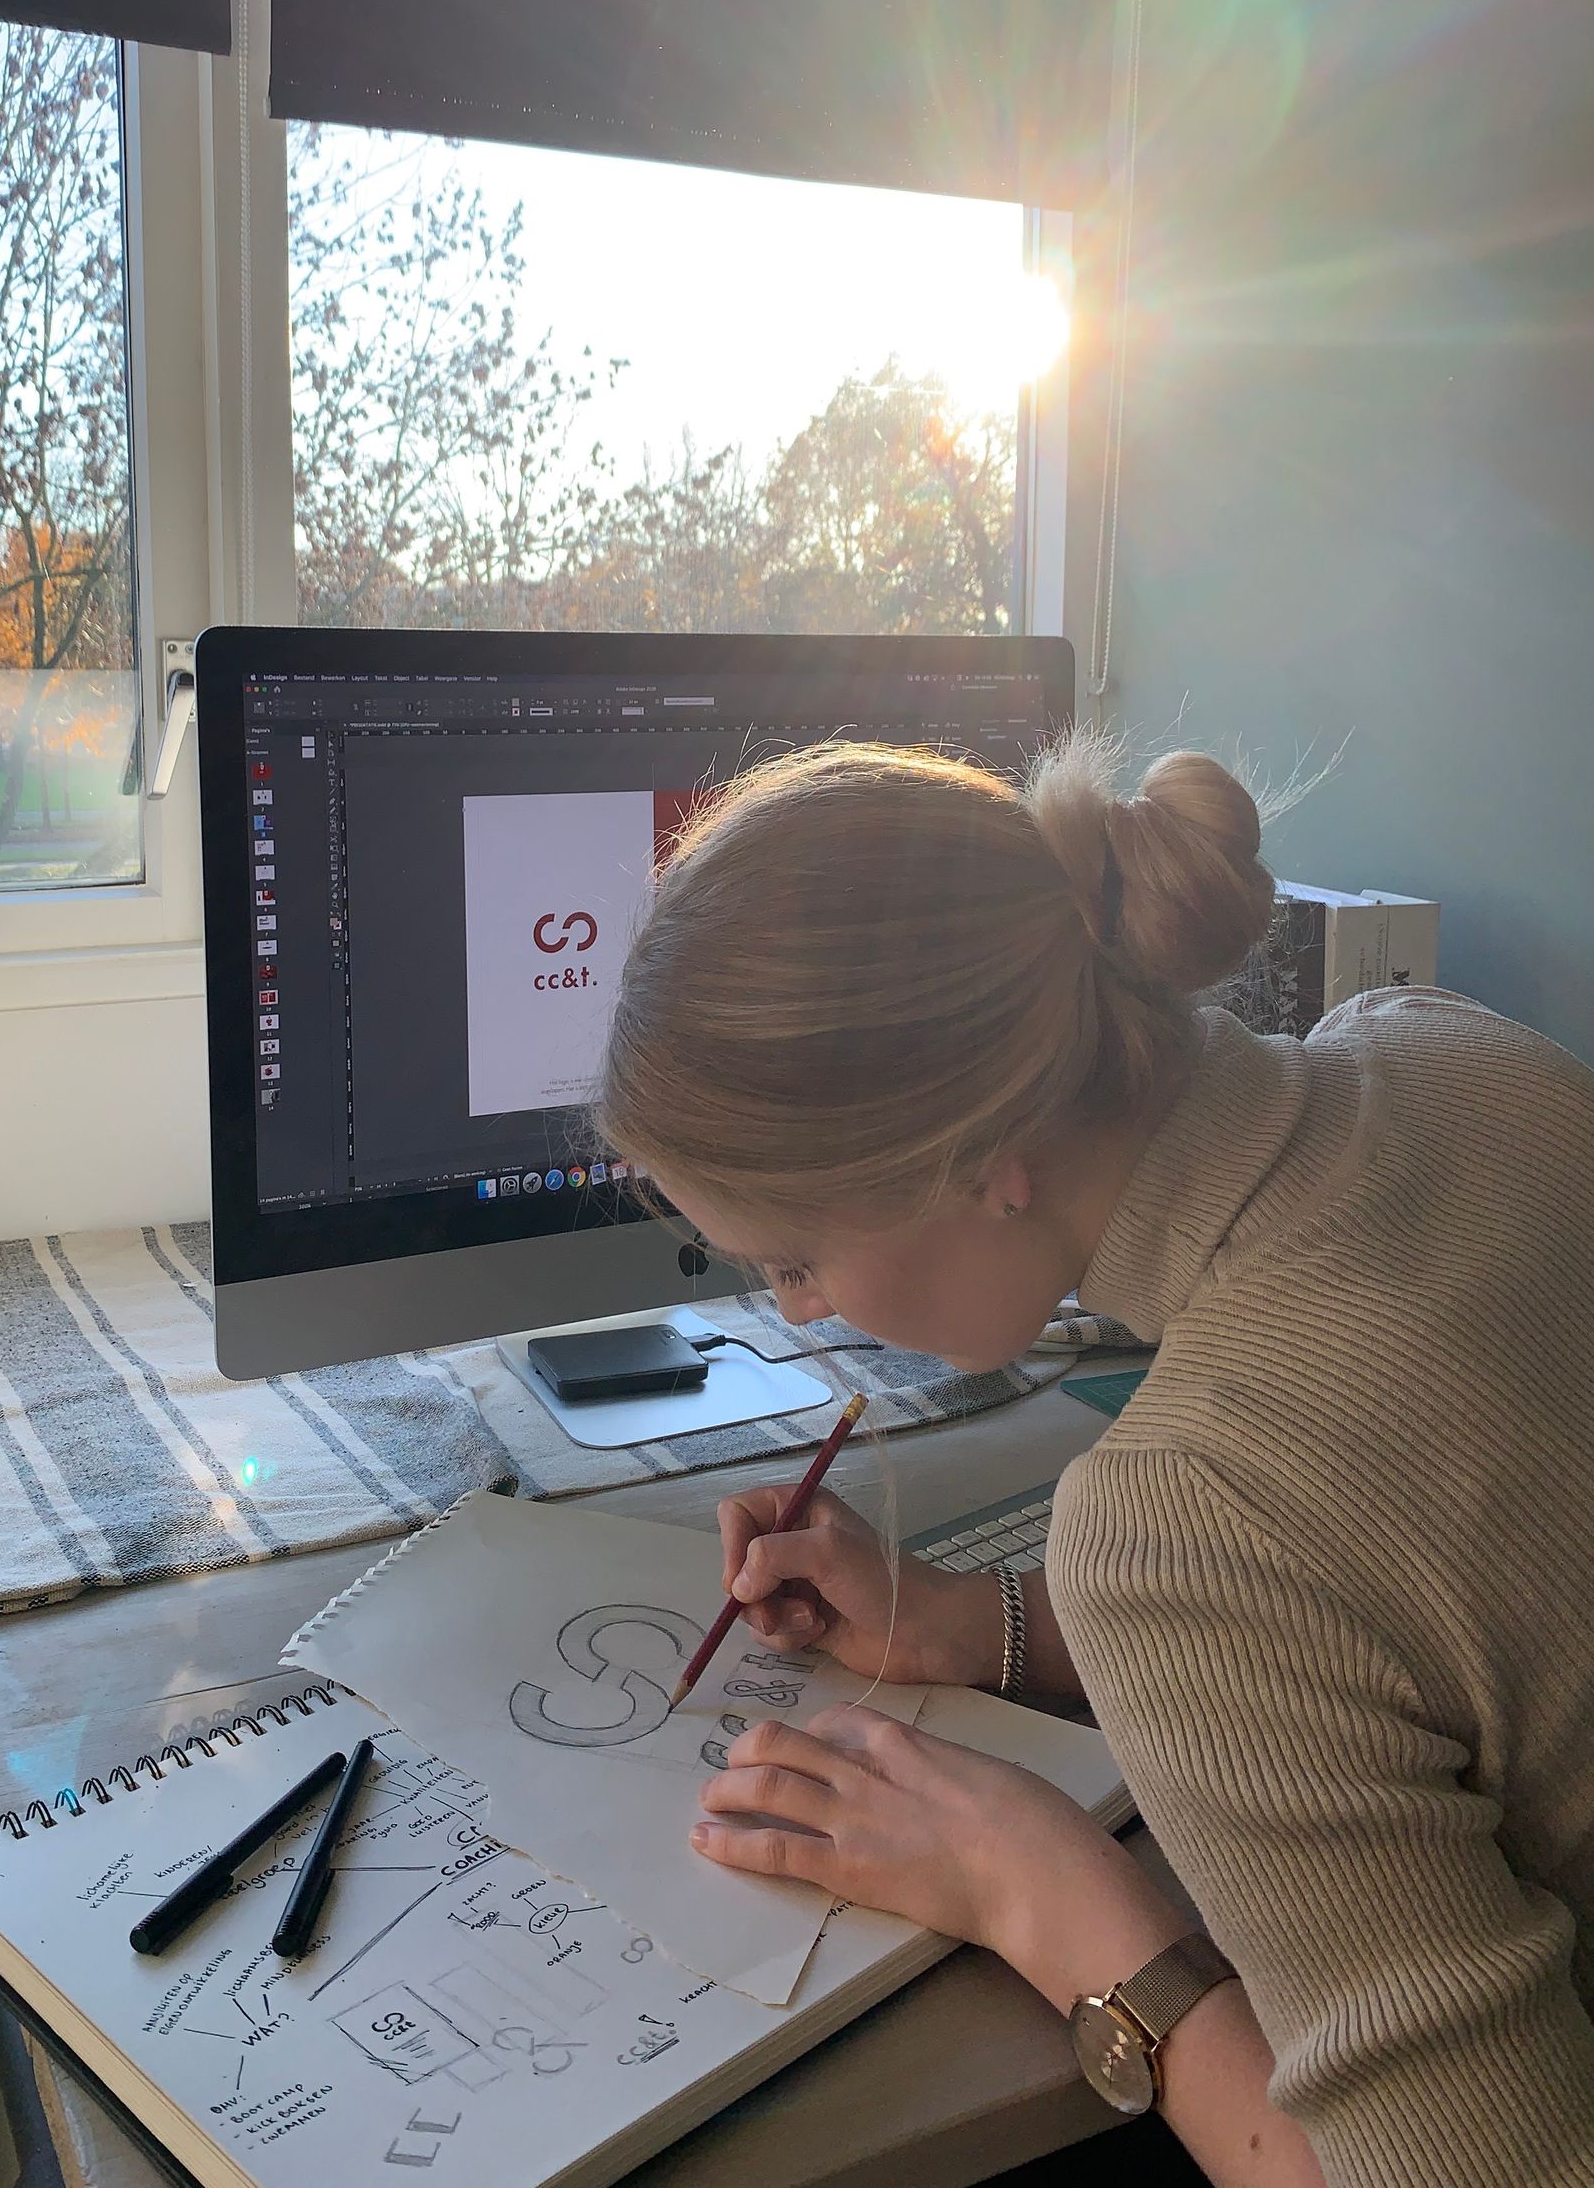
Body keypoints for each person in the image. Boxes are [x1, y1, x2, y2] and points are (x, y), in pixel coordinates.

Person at [596, 737, 1594, 2188]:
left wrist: (1041, 1891)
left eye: (795, 1259)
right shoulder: (1452, 1050)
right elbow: (1435, 1588)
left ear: (987, 1157)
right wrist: (977, 1626)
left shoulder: (1179, 1515)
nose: (795, 1312)